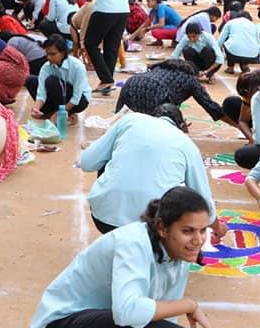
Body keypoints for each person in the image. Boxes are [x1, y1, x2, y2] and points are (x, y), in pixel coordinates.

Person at [30, 186, 213, 328]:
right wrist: (189, 305)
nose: (198, 240)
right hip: (62, 321)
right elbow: (127, 313)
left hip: (104, 319)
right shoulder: (133, 243)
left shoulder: (181, 251)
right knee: (134, 319)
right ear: (162, 228)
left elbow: (163, 316)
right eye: (187, 231)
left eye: (203, 230)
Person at [79, 105, 226, 238]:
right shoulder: (186, 143)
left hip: (105, 219)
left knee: (107, 158)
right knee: (179, 191)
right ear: (181, 125)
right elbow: (202, 197)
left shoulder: (130, 120)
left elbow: (87, 162)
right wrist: (217, 227)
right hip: (154, 228)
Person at [116, 59, 232, 126]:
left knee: (121, 121)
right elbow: (210, 105)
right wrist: (236, 125)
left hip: (132, 82)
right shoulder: (190, 79)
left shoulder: (161, 67)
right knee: (153, 128)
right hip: (155, 90)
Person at [82, 0, 130, 96]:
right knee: (111, 47)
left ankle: (106, 78)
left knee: (90, 43)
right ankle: (107, 82)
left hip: (105, 8)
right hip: (122, 10)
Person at [28, 34, 91, 125]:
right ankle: (53, 112)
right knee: (30, 80)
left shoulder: (77, 66)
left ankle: (66, 112)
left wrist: (60, 113)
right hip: (59, 97)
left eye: (53, 54)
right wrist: (36, 108)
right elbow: (41, 93)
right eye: (47, 54)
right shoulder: (46, 67)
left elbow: (76, 98)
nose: (49, 57)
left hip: (79, 101)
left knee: (51, 81)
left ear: (63, 53)